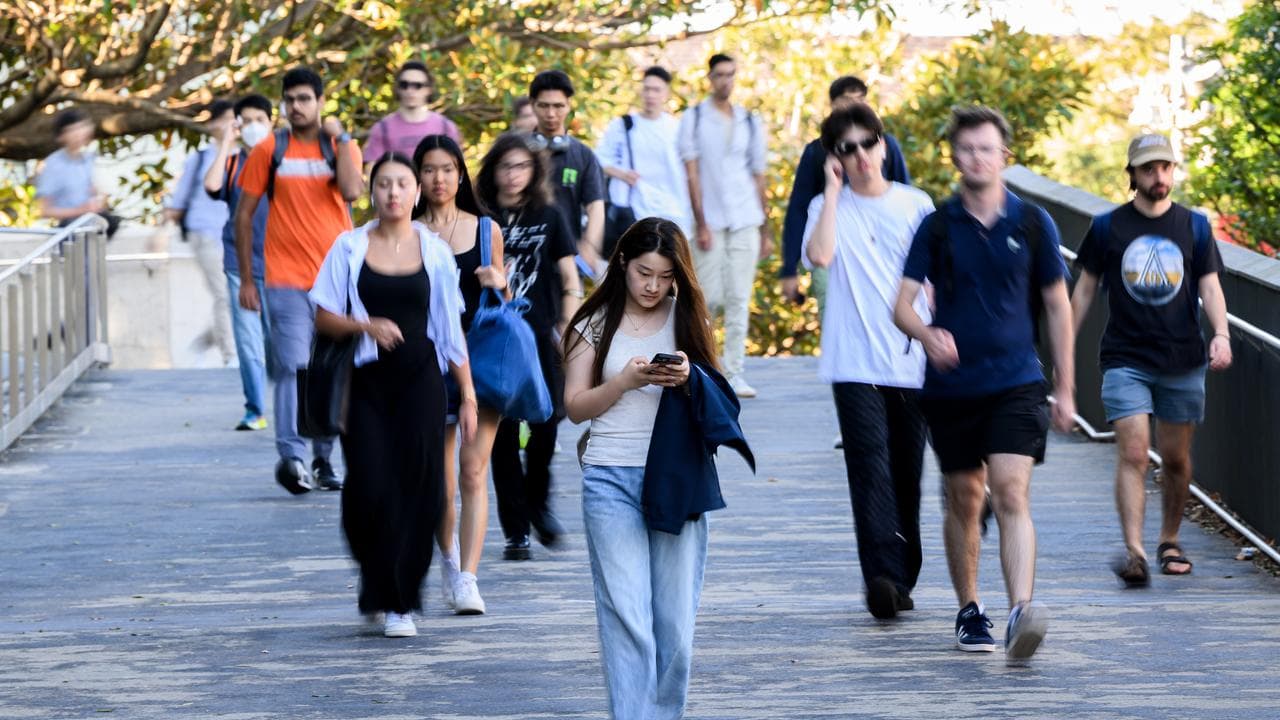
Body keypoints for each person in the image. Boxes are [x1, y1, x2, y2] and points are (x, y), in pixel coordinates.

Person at [892, 105, 1075, 663]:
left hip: (1017, 381)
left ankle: (1021, 610)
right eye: (967, 149)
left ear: (1004, 156)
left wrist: (1067, 387)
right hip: (952, 387)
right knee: (966, 497)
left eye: (986, 149)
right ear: (955, 156)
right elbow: (901, 306)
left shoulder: (1033, 223)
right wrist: (927, 334)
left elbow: (1058, 305)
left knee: (1011, 490)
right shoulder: (938, 225)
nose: (977, 158)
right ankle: (970, 608)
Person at [562, 217, 733, 720]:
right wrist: (624, 383)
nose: (653, 286)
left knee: (674, 622)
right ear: (622, 263)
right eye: (643, 273)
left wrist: (689, 377)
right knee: (626, 614)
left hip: (677, 478)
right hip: (610, 477)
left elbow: (720, 396)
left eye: (664, 276)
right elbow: (575, 407)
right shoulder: (593, 323)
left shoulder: (688, 319)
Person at [310, 152, 477, 638]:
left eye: (403, 183)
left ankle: (400, 601)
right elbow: (322, 315)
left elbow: (449, 330)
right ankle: (377, 577)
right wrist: (365, 325)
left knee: (422, 489)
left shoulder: (435, 252)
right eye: (384, 184)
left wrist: (467, 393)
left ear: (416, 192)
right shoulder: (349, 247)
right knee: (368, 488)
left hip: (421, 382)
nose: (394, 193)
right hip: (366, 385)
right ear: (372, 191)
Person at [1069, 133, 1232, 586]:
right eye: (1148, 169)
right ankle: (1135, 552)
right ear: (1132, 175)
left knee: (1176, 459)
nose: (1158, 176)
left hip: (1183, 357)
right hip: (1126, 358)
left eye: (1165, 167)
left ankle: (1169, 539)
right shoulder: (1107, 227)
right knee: (1135, 452)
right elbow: (1084, 291)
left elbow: (1210, 287)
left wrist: (1221, 334)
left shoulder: (1195, 226)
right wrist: (1063, 351)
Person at [802, 102, 933, 620]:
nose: (860, 155)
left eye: (867, 143)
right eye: (847, 148)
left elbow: (936, 280)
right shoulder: (824, 206)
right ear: (835, 157)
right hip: (853, 361)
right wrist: (833, 192)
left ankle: (904, 573)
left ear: (883, 144)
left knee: (906, 470)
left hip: (910, 358)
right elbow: (820, 256)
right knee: (868, 468)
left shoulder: (916, 204)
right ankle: (881, 577)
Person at [235, 66, 363, 494]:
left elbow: (352, 192)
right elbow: (243, 215)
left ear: (320, 102)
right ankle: (291, 457)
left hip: (336, 280)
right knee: (293, 366)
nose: (296, 106)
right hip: (284, 279)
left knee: (328, 369)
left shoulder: (340, 146)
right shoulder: (269, 149)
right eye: (289, 99)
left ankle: (324, 459)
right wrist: (248, 280)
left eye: (305, 98)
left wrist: (342, 139)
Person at [475, 132, 582, 559]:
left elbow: (570, 277)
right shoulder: (480, 217)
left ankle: (539, 504)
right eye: (505, 166)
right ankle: (516, 531)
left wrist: (568, 324)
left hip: (539, 335)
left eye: (521, 166)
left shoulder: (550, 215)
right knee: (500, 434)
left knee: (546, 425)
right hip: (494, 337)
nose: (513, 174)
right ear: (493, 171)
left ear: (534, 170)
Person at [412, 134, 507, 614]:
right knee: (440, 482)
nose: (439, 179)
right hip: (428, 365)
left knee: (473, 470)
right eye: (429, 169)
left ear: (461, 174)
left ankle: (468, 577)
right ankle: (449, 561)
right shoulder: (407, 232)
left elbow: (505, 305)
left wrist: (500, 282)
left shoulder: (486, 229)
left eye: (448, 169)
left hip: (482, 362)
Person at [678, 53, 770, 399]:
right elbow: (691, 174)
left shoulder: (749, 120)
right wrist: (700, 222)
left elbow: (759, 175)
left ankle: (734, 372)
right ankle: (705, 368)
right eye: (719, 74)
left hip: (745, 217)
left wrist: (765, 228)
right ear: (710, 78)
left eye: (731, 74)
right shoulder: (694, 118)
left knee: (739, 298)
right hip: (711, 221)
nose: (725, 81)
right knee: (707, 298)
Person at [781, 75, 911, 310]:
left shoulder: (885, 144)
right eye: (848, 100)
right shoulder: (816, 151)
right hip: (830, 252)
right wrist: (789, 267)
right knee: (833, 313)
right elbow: (798, 209)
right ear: (833, 105)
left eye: (861, 99)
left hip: (880, 252)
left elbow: (904, 196)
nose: (856, 105)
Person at [203, 94, 275, 431]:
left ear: (272, 123)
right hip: (239, 264)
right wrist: (226, 143)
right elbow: (212, 185)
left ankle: (290, 405)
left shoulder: (282, 161)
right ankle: (255, 409)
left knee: (278, 342)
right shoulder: (232, 164)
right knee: (248, 343)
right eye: (246, 121)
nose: (253, 127)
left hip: (280, 265)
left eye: (260, 120)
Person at [164, 100, 238, 366]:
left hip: (236, 237)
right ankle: (230, 356)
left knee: (237, 297)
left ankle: (204, 342)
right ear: (213, 124)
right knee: (224, 295)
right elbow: (178, 202)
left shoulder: (246, 157)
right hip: (204, 233)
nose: (233, 125)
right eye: (227, 119)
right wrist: (159, 234)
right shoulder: (200, 159)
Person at [594, 65, 692, 248]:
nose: (650, 95)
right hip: (635, 211)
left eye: (656, 90)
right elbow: (598, 159)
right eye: (646, 89)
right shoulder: (623, 125)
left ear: (666, 93)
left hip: (673, 211)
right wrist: (622, 174)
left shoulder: (677, 129)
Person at [527, 70, 607, 273]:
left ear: (569, 105)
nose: (551, 114)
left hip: (568, 259)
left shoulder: (584, 155)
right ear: (532, 104)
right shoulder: (517, 151)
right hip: (524, 256)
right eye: (544, 105)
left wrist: (589, 246)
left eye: (558, 106)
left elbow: (595, 206)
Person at [35, 109, 120, 238]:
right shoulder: (53, 165)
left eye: (82, 127)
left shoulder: (90, 159)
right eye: (73, 130)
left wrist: (99, 199)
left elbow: (101, 197)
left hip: (93, 224)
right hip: (70, 228)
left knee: (113, 223)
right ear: (61, 136)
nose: (79, 133)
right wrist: (80, 210)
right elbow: (45, 211)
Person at [362, 61, 462, 170]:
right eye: (404, 85)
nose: (410, 90)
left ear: (428, 89)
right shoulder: (382, 129)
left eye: (417, 86)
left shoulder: (445, 127)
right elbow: (371, 170)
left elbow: (456, 169)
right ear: (397, 88)